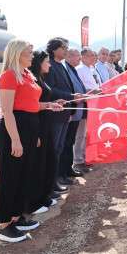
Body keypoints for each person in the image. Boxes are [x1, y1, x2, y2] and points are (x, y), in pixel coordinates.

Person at [0, 40, 62, 243]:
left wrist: (49, 105)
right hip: (15, 128)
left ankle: (17, 217)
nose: (32, 56)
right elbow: (7, 111)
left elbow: (31, 104)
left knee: (25, 175)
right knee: (11, 177)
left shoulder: (27, 74)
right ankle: (5, 225)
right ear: (17, 54)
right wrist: (15, 140)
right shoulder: (9, 75)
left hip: (30, 127)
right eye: (29, 53)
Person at [44, 38, 80, 193]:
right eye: (63, 48)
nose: (66, 50)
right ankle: (54, 180)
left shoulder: (61, 65)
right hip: (55, 114)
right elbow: (50, 90)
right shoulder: (50, 65)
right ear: (54, 49)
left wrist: (71, 107)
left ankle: (60, 177)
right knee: (54, 149)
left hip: (64, 113)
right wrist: (71, 96)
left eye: (66, 47)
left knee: (60, 147)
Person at [29, 51, 63, 208]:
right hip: (38, 124)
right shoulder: (33, 79)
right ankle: (37, 198)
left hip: (45, 122)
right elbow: (32, 104)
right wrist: (49, 104)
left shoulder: (40, 78)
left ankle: (45, 194)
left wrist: (54, 102)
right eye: (47, 61)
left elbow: (44, 100)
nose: (49, 64)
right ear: (39, 62)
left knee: (48, 159)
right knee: (40, 162)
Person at [61, 48, 89, 181]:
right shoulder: (66, 68)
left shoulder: (72, 69)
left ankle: (68, 169)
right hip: (72, 110)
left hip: (78, 109)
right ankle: (65, 170)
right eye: (78, 56)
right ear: (69, 57)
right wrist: (75, 98)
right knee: (67, 142)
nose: (80, 58)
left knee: (71, 141)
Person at [75, 49, 100, 172]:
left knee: (86, 134)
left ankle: (85, 157)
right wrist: (93, 91)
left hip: (92, 104)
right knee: (80, 134)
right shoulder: (80, 69)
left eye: (94, 55)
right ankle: (78, 161)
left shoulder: (90, 69)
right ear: (83, 57)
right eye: (91, 55)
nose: (93, 58)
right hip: (84, 105)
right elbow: (79, 88)